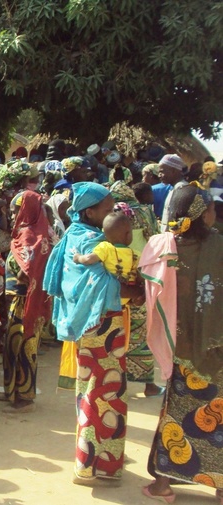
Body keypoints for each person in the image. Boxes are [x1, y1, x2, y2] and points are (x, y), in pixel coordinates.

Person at [44, 182, 143, 485]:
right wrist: (138, 291)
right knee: (105, 393)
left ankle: (94, 460)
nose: (112, 213)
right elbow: (106, 286)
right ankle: (92, 465)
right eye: (107, 208)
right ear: (89, 212)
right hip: (103, 325)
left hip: (88, 325)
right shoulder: (95, 242)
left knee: (90, 390)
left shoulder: (74, 235)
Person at [140, 184, 222, 504]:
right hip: (218, 350)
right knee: (219, 418)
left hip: (183, 350)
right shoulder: (219, 246)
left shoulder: (166, 249)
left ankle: (163, 484)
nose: (214, 214)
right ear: (201, 215)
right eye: (211, 209)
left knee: (177, 416)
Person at [0, 191, 53, 413]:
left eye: (15, 211)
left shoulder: (31, 235)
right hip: (19, 300)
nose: (12, 216)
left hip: (25, 302)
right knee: (13, 346)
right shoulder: (29, 233)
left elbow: (27, 271)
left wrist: (18, 274)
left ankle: (24, 396)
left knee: (23, 347)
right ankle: (12, 390)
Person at [73, 212, 137, 303]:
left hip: (106, 298)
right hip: (125, 299)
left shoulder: (105, 247)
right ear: (128, 235)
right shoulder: (136, 254)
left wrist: (78, 258)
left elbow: (89, 259)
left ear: (105, 236)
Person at [157, 154, 189, 231]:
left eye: (162, 171)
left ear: (173, 171)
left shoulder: (181, 188)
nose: (159, 175)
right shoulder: (175, 188)